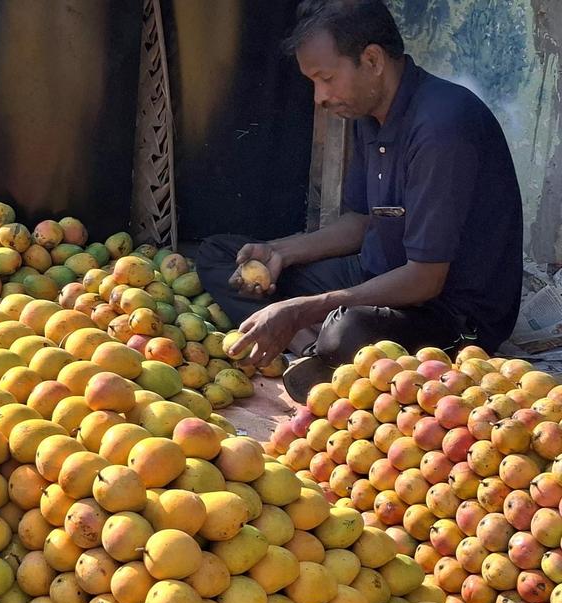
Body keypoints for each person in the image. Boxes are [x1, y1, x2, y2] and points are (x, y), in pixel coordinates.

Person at [195, 0, 523, 402]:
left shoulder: (442, 128)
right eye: (313, 82)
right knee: (219, 256)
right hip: (377, 274)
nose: (319, 97)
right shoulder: (369, 114)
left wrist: (305, 308)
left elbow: (425, 279)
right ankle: (310, 351)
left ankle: (319, 346)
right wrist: (280, 252)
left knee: (347, 330)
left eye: (326, 78)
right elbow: (361, 221)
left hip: (450, 312)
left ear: (372, 60)